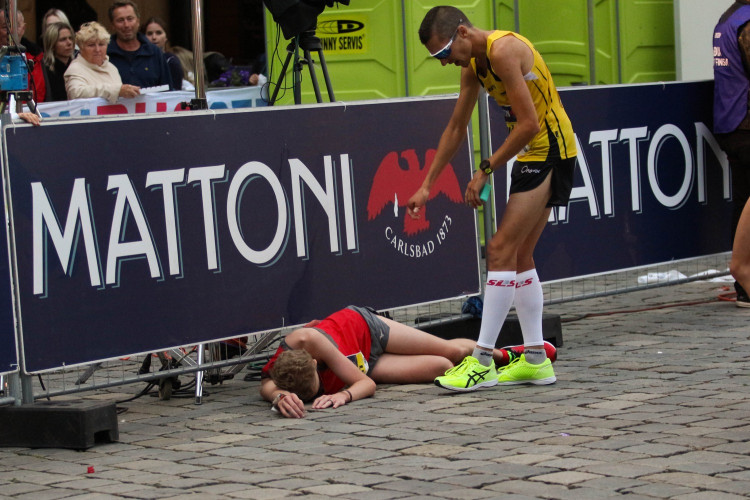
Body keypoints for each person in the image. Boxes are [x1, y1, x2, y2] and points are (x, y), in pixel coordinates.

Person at [406, 7, 577, 391]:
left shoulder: (503, 51)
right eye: (437, 57)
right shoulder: (474, 65)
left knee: (499, 248)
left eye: (444, 52)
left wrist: (486, 168)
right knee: (517, 256)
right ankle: (536, 360)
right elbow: (455, 127)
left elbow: (530, 122)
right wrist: (427, 184)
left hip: (548, 149)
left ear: (463, 33)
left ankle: (482, 362)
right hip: (533, 152)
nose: (444, 62)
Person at [260, 305, 557, 418]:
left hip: (368, 330)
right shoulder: (283, 375)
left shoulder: (309, 342)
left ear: (314, 362)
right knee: (441, 366)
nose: (319, 393)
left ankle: (508, 354)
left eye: (317, 386)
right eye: (313, 395)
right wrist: (280, 397)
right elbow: (267, 386)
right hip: (366, 363)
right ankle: (493, 363)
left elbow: (364, 384)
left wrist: (343, 394)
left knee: (451, 351)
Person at [713, 0, 750, 308]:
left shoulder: (731, 16)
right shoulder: (747, 21)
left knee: (743, 202)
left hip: (732, 122)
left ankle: (743, 285)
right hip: (745, 124)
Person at [64, 21, 139, 103]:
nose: (97, 50)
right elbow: (76, 93)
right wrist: (115, 91)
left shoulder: (112, 68)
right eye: (91, 45)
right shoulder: (75, 68)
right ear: (81, 48)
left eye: (101, 44)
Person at [106, 1, 175, 90]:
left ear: (138, 21)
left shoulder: (154, 52)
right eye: (120, 20)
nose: (126, 25)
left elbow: (168, 91)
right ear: (112, 25)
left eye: (130, 19)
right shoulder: (103, 53)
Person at [0, 10, 47, 103]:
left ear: (23, 28)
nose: (11, 32)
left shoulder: (36, 56)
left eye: (16, 26)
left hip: (31, 112)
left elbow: (42, 93)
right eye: (6, 27)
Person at [141, 17, 184, 90]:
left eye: (158, 33)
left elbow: (176, 92)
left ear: (166, 37)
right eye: (149, 34)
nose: (154, 37)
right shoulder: (138, 60)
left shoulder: (171, 61)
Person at [42, 22, 76, 101]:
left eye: (71, 38)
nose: (69, 43)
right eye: (63, 39)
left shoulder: (78, 67)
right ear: (52, 44)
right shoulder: (45, 72)